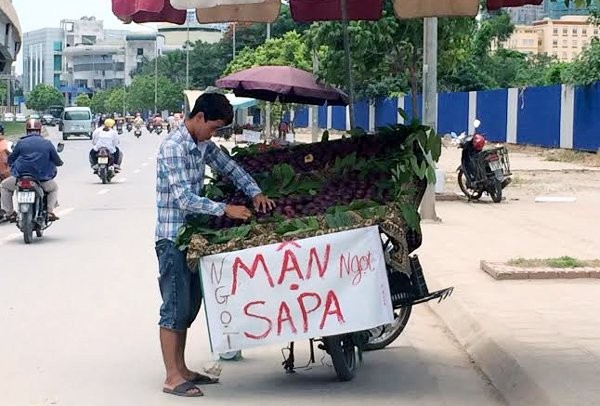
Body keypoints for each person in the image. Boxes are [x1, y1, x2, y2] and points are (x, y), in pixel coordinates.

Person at [155, 93, 275, 397]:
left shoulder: (201, 144)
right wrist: (225, 209)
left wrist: (255, 191)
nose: (214, 134)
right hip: (172, 238)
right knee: (174, 307)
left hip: (193, 238)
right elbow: (185, 199)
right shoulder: (173, 148)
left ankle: (182, 369)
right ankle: (172, 377)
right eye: (214, 127)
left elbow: (229, 167)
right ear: (199, 118)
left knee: (189, 305)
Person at [0, 119, 63, 222]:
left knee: (4, 186)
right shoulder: (47, 143)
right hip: (41, 179)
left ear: (27, 130)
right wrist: (59, 163)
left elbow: (11, 159)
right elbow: (56, 160)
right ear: (39, 130)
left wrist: (11, 165)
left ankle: (10, 212)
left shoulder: (20, 143)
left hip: (20, 178)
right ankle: (50, 211)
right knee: (53, 188)